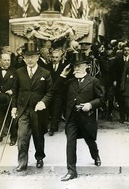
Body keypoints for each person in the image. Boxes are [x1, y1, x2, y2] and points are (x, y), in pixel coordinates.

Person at [54, 51, 104, 181]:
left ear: (87, 66)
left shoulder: (94, 81)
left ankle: (95, 156)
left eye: (79, 66)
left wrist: (90, 104)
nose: (76, 69)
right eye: (75, 66)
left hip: (87, 118)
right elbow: (55, 90)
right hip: (72, 118)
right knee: (70, 143)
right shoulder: (69, 82)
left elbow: (102, 98)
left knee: (90, 141)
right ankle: (71, 171)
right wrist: (62, 75)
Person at [11, 42, 53, 172]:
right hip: (23, 109)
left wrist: (43, 102)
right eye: (27, 57)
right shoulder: (19, 72)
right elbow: (15, 91)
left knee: (38, 135)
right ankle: (22, 162)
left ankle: (39, 157)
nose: (29, 59)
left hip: (38, 110)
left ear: (37, 57)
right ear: (23, 58)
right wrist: (14, 107)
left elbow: (51, 91)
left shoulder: (45, 73)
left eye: (32, 56)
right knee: (22, 136)